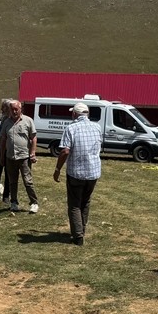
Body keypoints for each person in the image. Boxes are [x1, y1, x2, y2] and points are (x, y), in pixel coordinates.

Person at [52, 102, 102, 245]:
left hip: (76, 172)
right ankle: (82, 230)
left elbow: (65, 151)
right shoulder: (97, 127)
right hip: (93, 172)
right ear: (87, 114)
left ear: (74, 114)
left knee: (74, 204)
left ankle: (78, 235)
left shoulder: (71, 128)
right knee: (85, 202)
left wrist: (57, 169)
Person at [0, 100, 39, 213]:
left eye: (16, 109)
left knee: (27, 181)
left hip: (24, 157)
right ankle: (14, 202)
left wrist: (33, 152)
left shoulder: (28, 121)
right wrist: (2, 156)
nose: (14, 111)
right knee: (12, 181)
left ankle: (34, 203)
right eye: (12, 109)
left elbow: (34, 138)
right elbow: (3, 139)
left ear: (20, 109)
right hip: (10, 157)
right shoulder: (6, 122)